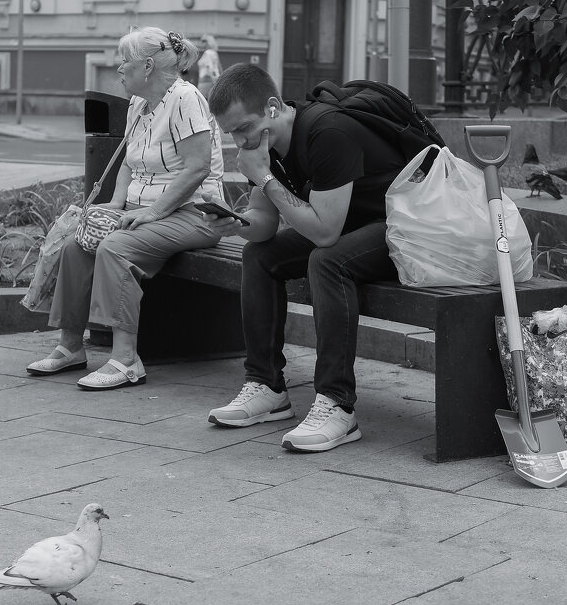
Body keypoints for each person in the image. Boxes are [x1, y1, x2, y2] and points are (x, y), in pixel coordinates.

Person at [202, 63, 407, 452]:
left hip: (402, 227)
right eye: (231, 133)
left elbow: (325, 232)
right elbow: (264, 222)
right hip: (350, 227)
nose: (240, 141)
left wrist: (265, 178)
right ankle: (266, 387)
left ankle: (338, 406)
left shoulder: (327, 132)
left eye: (245, 127)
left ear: (274, 107)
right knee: (259, 255)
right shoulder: (264, 144)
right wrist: (236, 222)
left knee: (327, 261)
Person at [27, 27, 226, 389]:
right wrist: (116, 206)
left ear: (147, 66)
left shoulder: (185, 98)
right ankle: (70, 347)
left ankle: (125, 359)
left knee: (115, 247)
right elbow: (129, 162)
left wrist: (153, 212)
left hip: (196, 214)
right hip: (144, 210)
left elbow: (198, 167)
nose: (118, 68)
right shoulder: (138, 103)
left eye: (125, 62)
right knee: (76, 247)